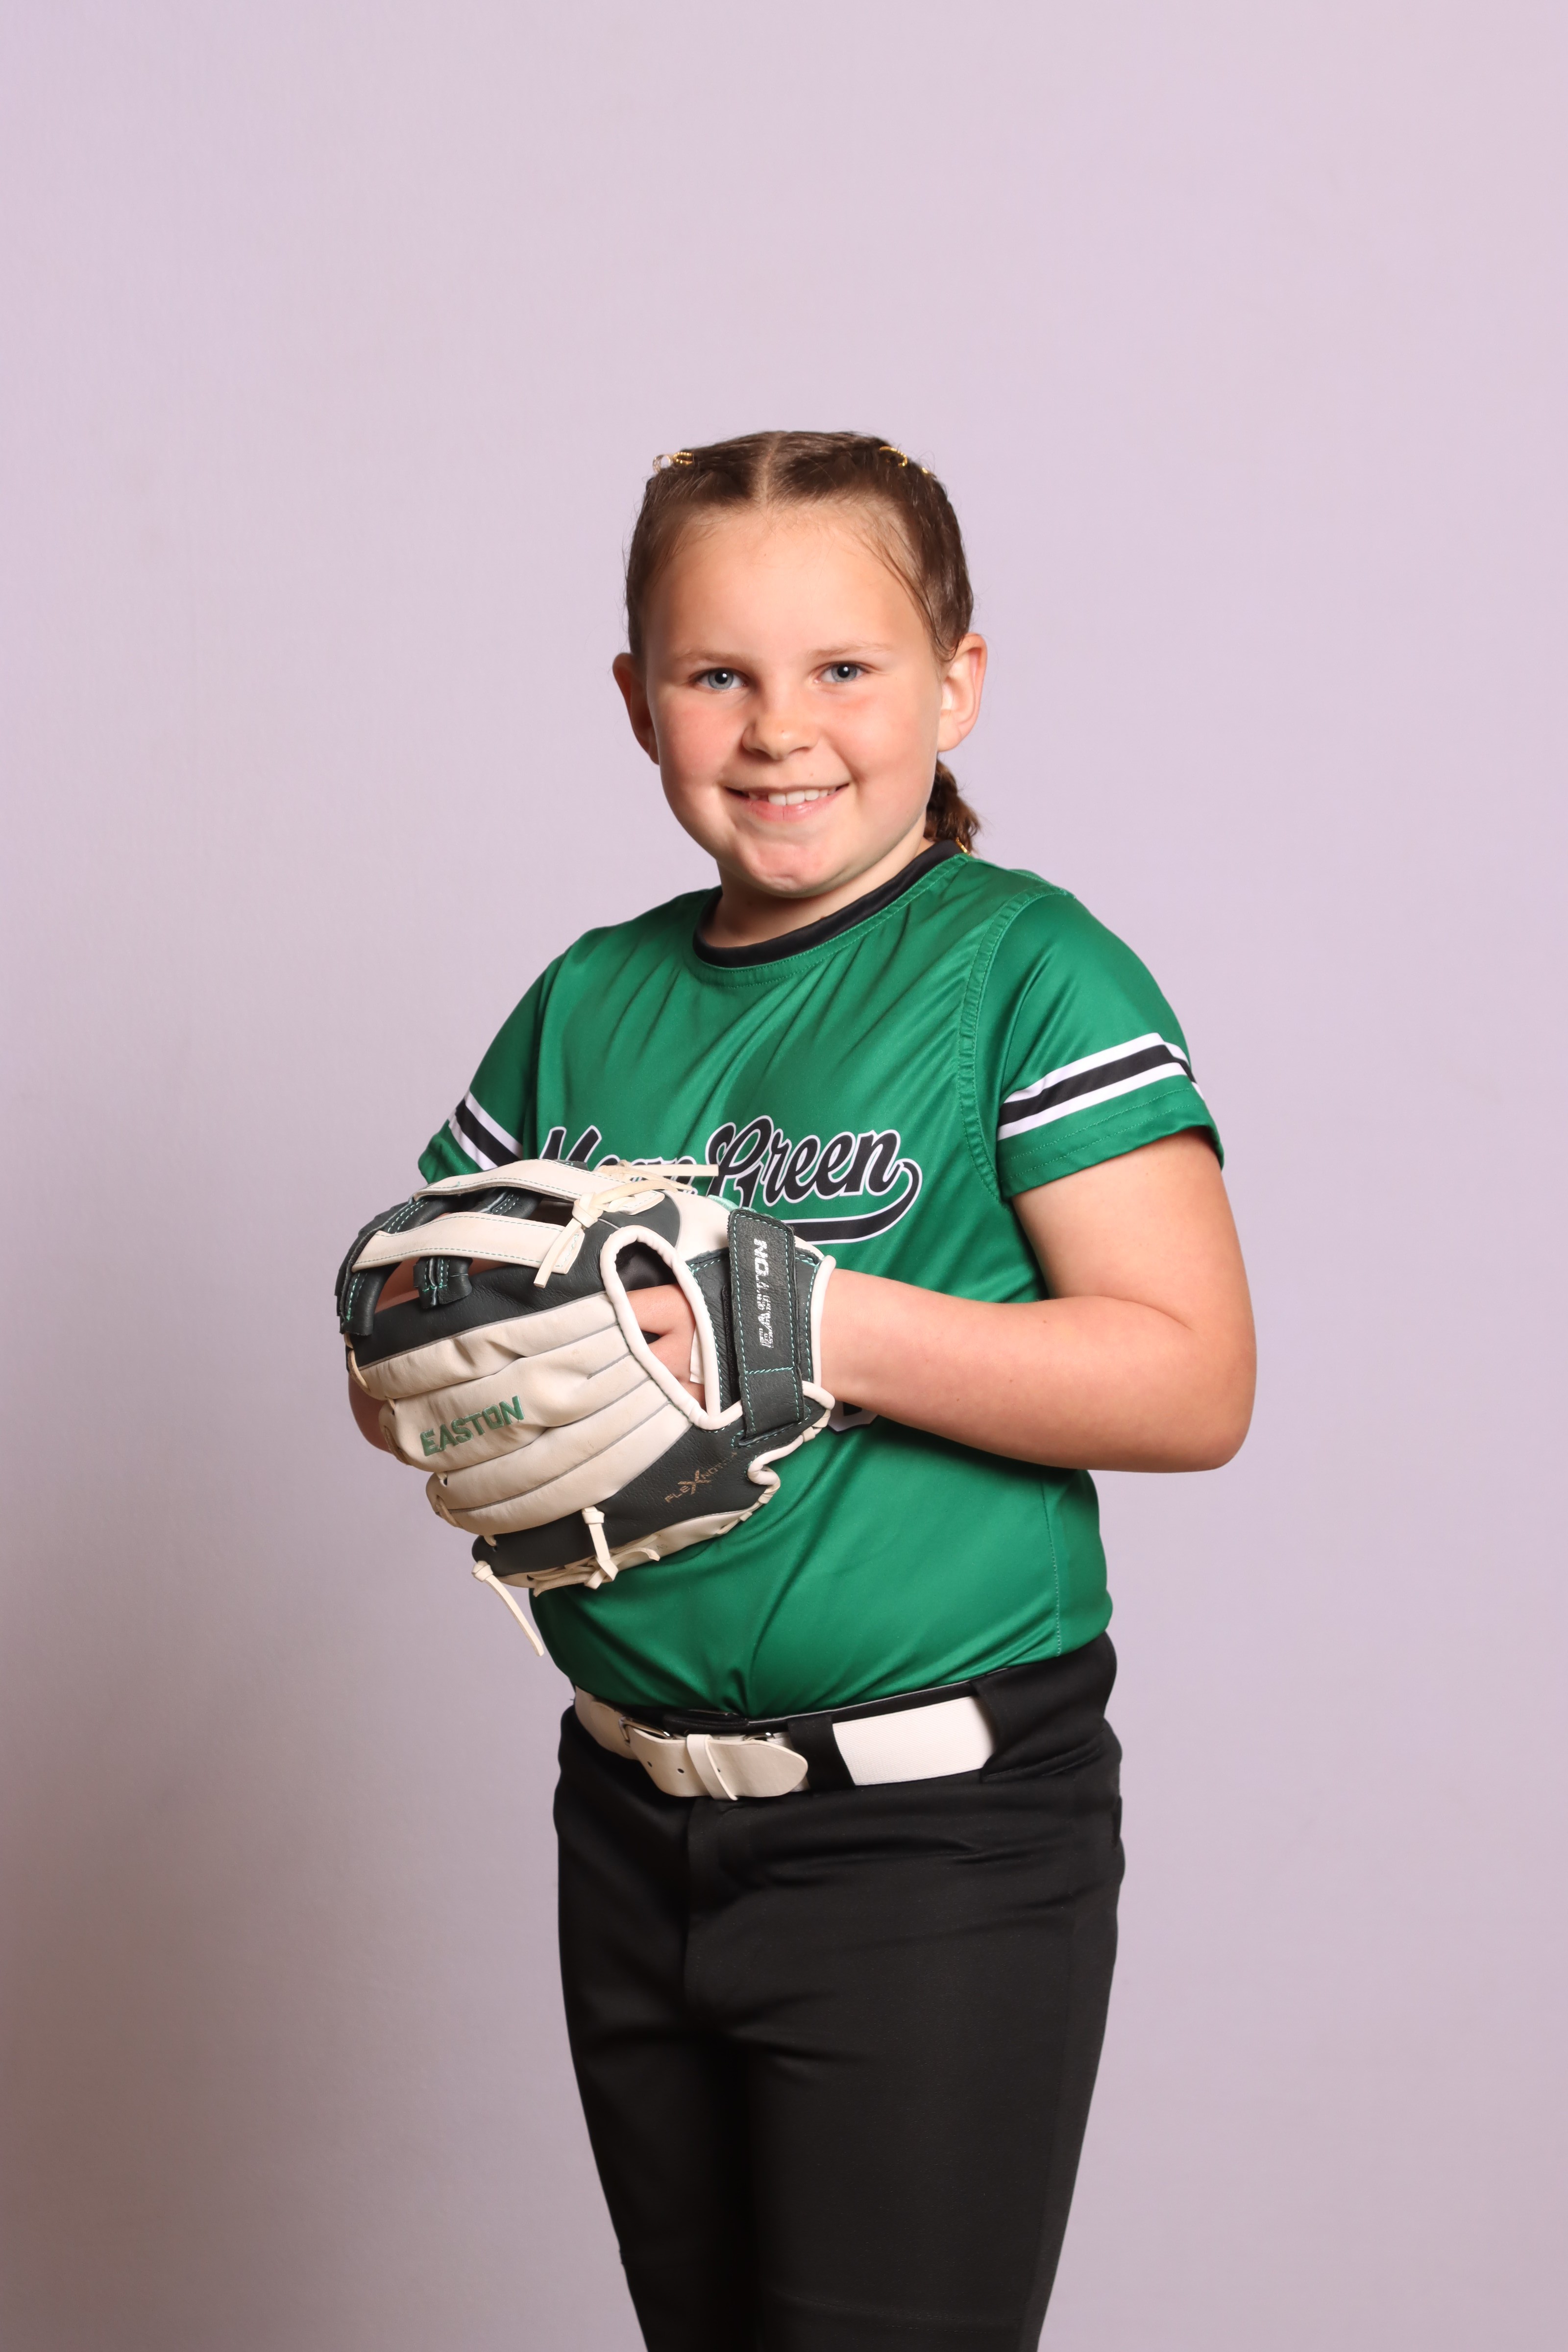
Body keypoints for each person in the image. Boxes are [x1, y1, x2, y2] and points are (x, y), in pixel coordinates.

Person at [349, 430, 1255, 2351]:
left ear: (955, 682)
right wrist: (461, 1362)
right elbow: (415, 1358)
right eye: (716, 673)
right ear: (636, 702)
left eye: (844, 666)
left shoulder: (1025, 969)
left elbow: (1190, 1382)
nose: (779, 730)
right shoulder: (589, 997)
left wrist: (792, 1319)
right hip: (629, 1824)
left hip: (934, 1844)